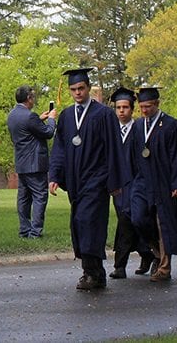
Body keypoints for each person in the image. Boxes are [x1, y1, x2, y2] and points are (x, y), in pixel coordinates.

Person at [47, 67, 123, 291]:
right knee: (80, 224)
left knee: (89, 222)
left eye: (81, 88)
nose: (78, 93)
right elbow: (59, 148)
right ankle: (93, 272)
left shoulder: (104, 114)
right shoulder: (67, 116)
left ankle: (92, 272)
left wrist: (114, 182)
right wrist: (55, 175)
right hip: (75, 180)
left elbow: (114, 149)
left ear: (89, 88)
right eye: (73, 89)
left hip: (97, 178)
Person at [129, 87, 177, 282]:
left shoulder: (171, 125)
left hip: (163, 181)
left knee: (162, 224)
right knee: (137, 218)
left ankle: (165, 268)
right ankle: (156, 252)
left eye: (148, 106)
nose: (144, 110)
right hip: (142, 180)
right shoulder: (138, 126)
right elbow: (133, 154)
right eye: (141, 107)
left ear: (157, 104)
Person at [107, 87, 154, 279]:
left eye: (125, 107)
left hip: (136, 183)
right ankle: (147, 253)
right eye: (118, 107)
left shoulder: (140, 130)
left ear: (132, 109)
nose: (121, 111)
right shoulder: (110, 132)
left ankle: (120, 265)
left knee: (128, 220)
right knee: (127, 221)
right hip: (118, 185)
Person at [6, 85, 55, 238]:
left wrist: (39, 119)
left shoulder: (12, 115)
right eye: (33, 97)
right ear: (28, 98)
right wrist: (52, 120)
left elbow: (26, 130)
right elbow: (48, 133)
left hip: (21, 163)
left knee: (23, 198)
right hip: (35, 163)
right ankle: (35, 231)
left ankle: (24, 230)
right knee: (40, 196)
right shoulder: (29, 116)